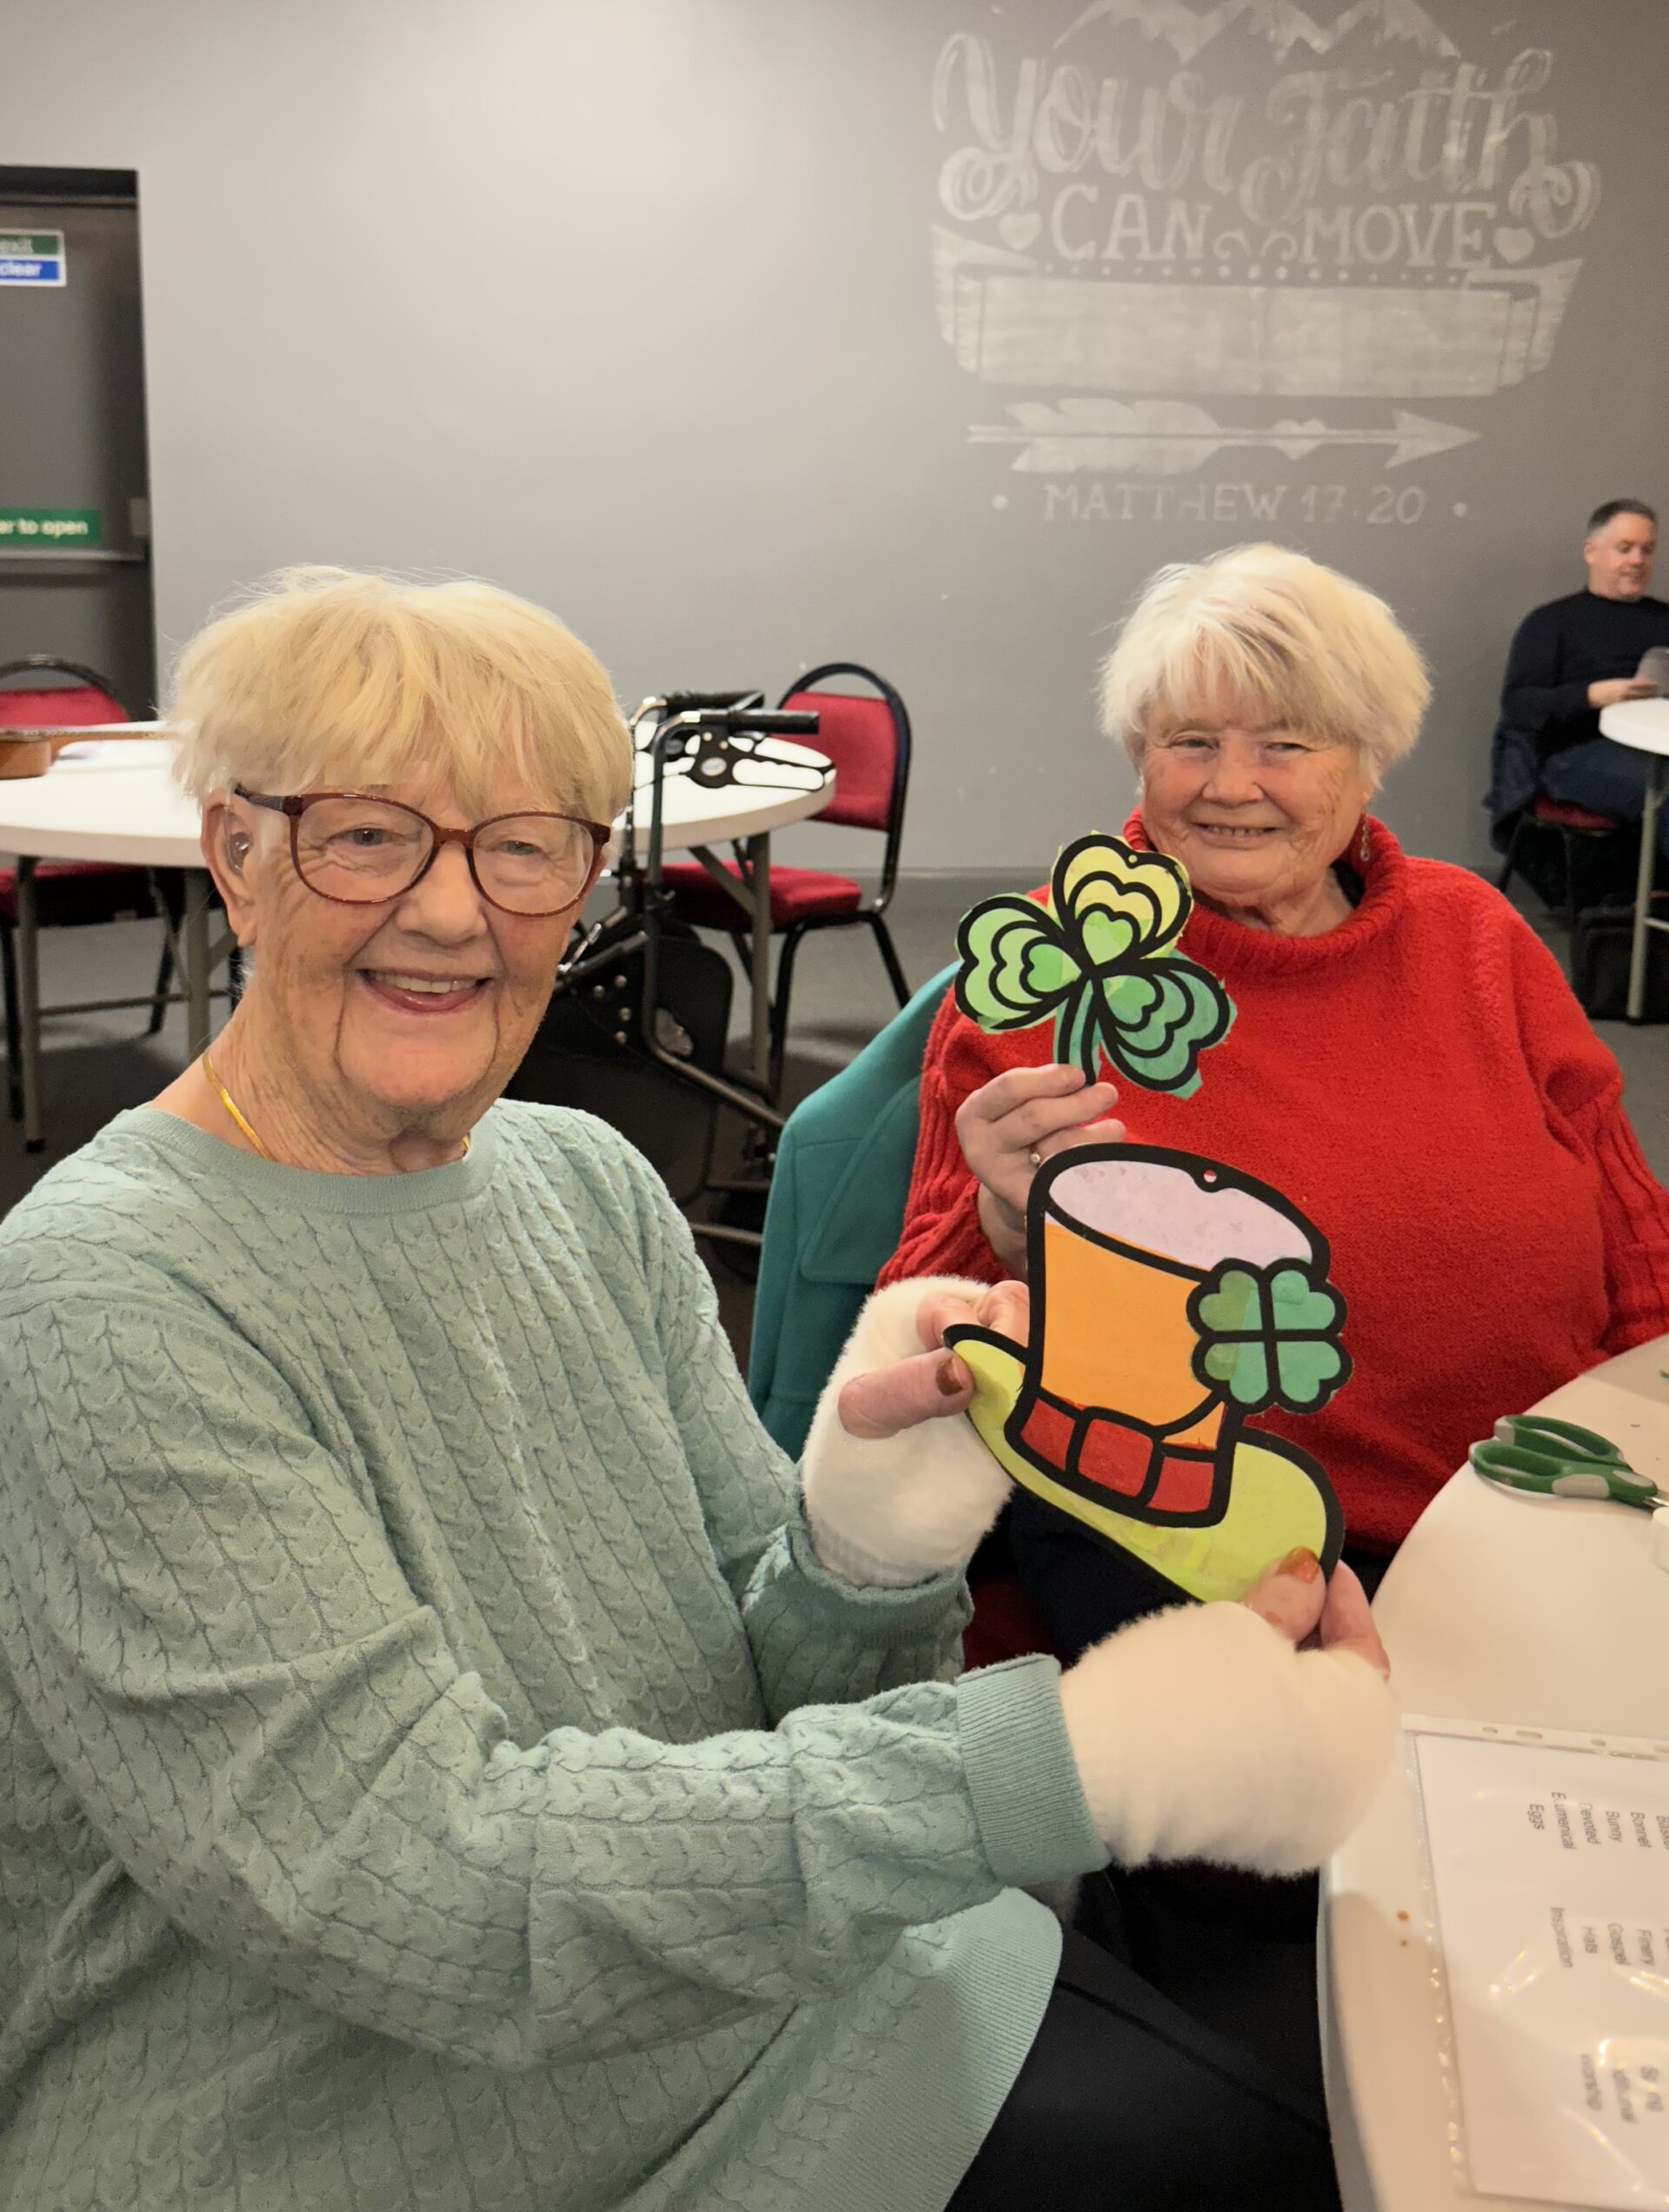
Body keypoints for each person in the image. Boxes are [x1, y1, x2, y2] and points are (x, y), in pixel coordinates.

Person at [0, 567, 1394, 2212]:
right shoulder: (104, 1296)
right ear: (237, 855)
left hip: (759, 1986)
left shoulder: (578, 1176)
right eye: (366, 834)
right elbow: (420, 1889)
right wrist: (1087, 1757)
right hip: (369, 2115)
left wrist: (865, 1548)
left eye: (523, 848)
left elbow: (768, 1695)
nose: (453, 915)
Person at [882, 542, 1669, 1662]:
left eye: (1286, 745)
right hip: (1228, 1569)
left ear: (1368, 761)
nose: (1231, 785)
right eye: (1190, 741)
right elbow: (918, 1328)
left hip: (1549, 1514)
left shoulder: (1477, 939)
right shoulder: (1063, 968)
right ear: (1139, 755)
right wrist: (1005, 1237)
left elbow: (1636, 1233)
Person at [1490, 498, 1669, 853]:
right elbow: (1519, 705)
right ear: (1591, 552)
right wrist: (1593, 695)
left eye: (1647, 550)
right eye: (1625, 548)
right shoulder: (1551, 622)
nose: (1638, 560)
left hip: (1658, 747)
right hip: (1575, 755)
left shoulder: (1664, 619)